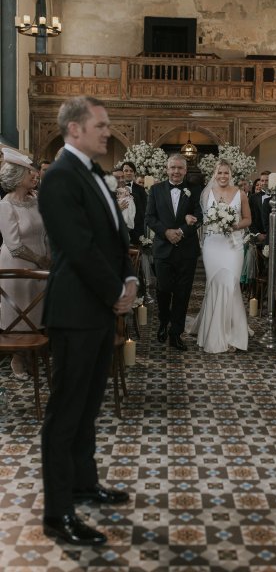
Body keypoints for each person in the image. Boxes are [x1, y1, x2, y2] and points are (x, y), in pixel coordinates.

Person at [38, 96, 138, 546]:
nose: (107, 131)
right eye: (101, 125)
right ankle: (58, 514)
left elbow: (117, 237)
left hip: (97, 309)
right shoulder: (60, 177)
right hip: (76, 311)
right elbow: (78, 248)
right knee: (65, 414)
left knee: (88, 406)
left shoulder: (95, 172)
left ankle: (84, 481)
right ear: (75, 129)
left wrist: (131, 277)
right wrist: (117, 291)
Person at [188, 159, 251, 353]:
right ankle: (212, 331)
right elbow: (202, 219)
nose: (223, 176)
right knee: (215, 284)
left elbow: (248, 219)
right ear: (214, 174)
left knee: (231, 285)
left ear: (231, 174)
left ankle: (234, 335)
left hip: (233, 245)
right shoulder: (206, 193)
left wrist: (234, 225)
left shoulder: (240, 194)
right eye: (220, 173)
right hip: (213, 244)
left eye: (226, 173)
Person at [0, 148, 51, 380]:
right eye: (30, 172)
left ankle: (33, 353)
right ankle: (17, 359)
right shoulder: (6, 205)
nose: (35, 175)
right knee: (19, 312)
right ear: (18, 176)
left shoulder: (36, 199)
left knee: (37, 311)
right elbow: (14, 245)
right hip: (17, 268)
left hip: (42, 265)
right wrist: (39, 259)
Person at [145, 153, 202, 351]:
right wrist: (166, 232)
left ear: (185, 171)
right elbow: (150, 218)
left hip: (187, 250)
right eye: (172, 168)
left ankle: (175, 333)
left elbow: (199, 216)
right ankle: (163, 320)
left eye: (180, 168)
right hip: (163, 248)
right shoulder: (155, 189)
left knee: (182, 293)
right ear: (167, 169)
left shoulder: (195, 191)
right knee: (163, 289)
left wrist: (181, 231)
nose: (176, 171)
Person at [122, 160, 148, 244]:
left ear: (134, 173)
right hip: (119, 228)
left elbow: (144, 210)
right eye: (126, 171)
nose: (129, 173)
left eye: (131, 171)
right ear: (122, 172)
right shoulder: (115, 187)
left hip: (136, 230)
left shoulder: (140, 189)